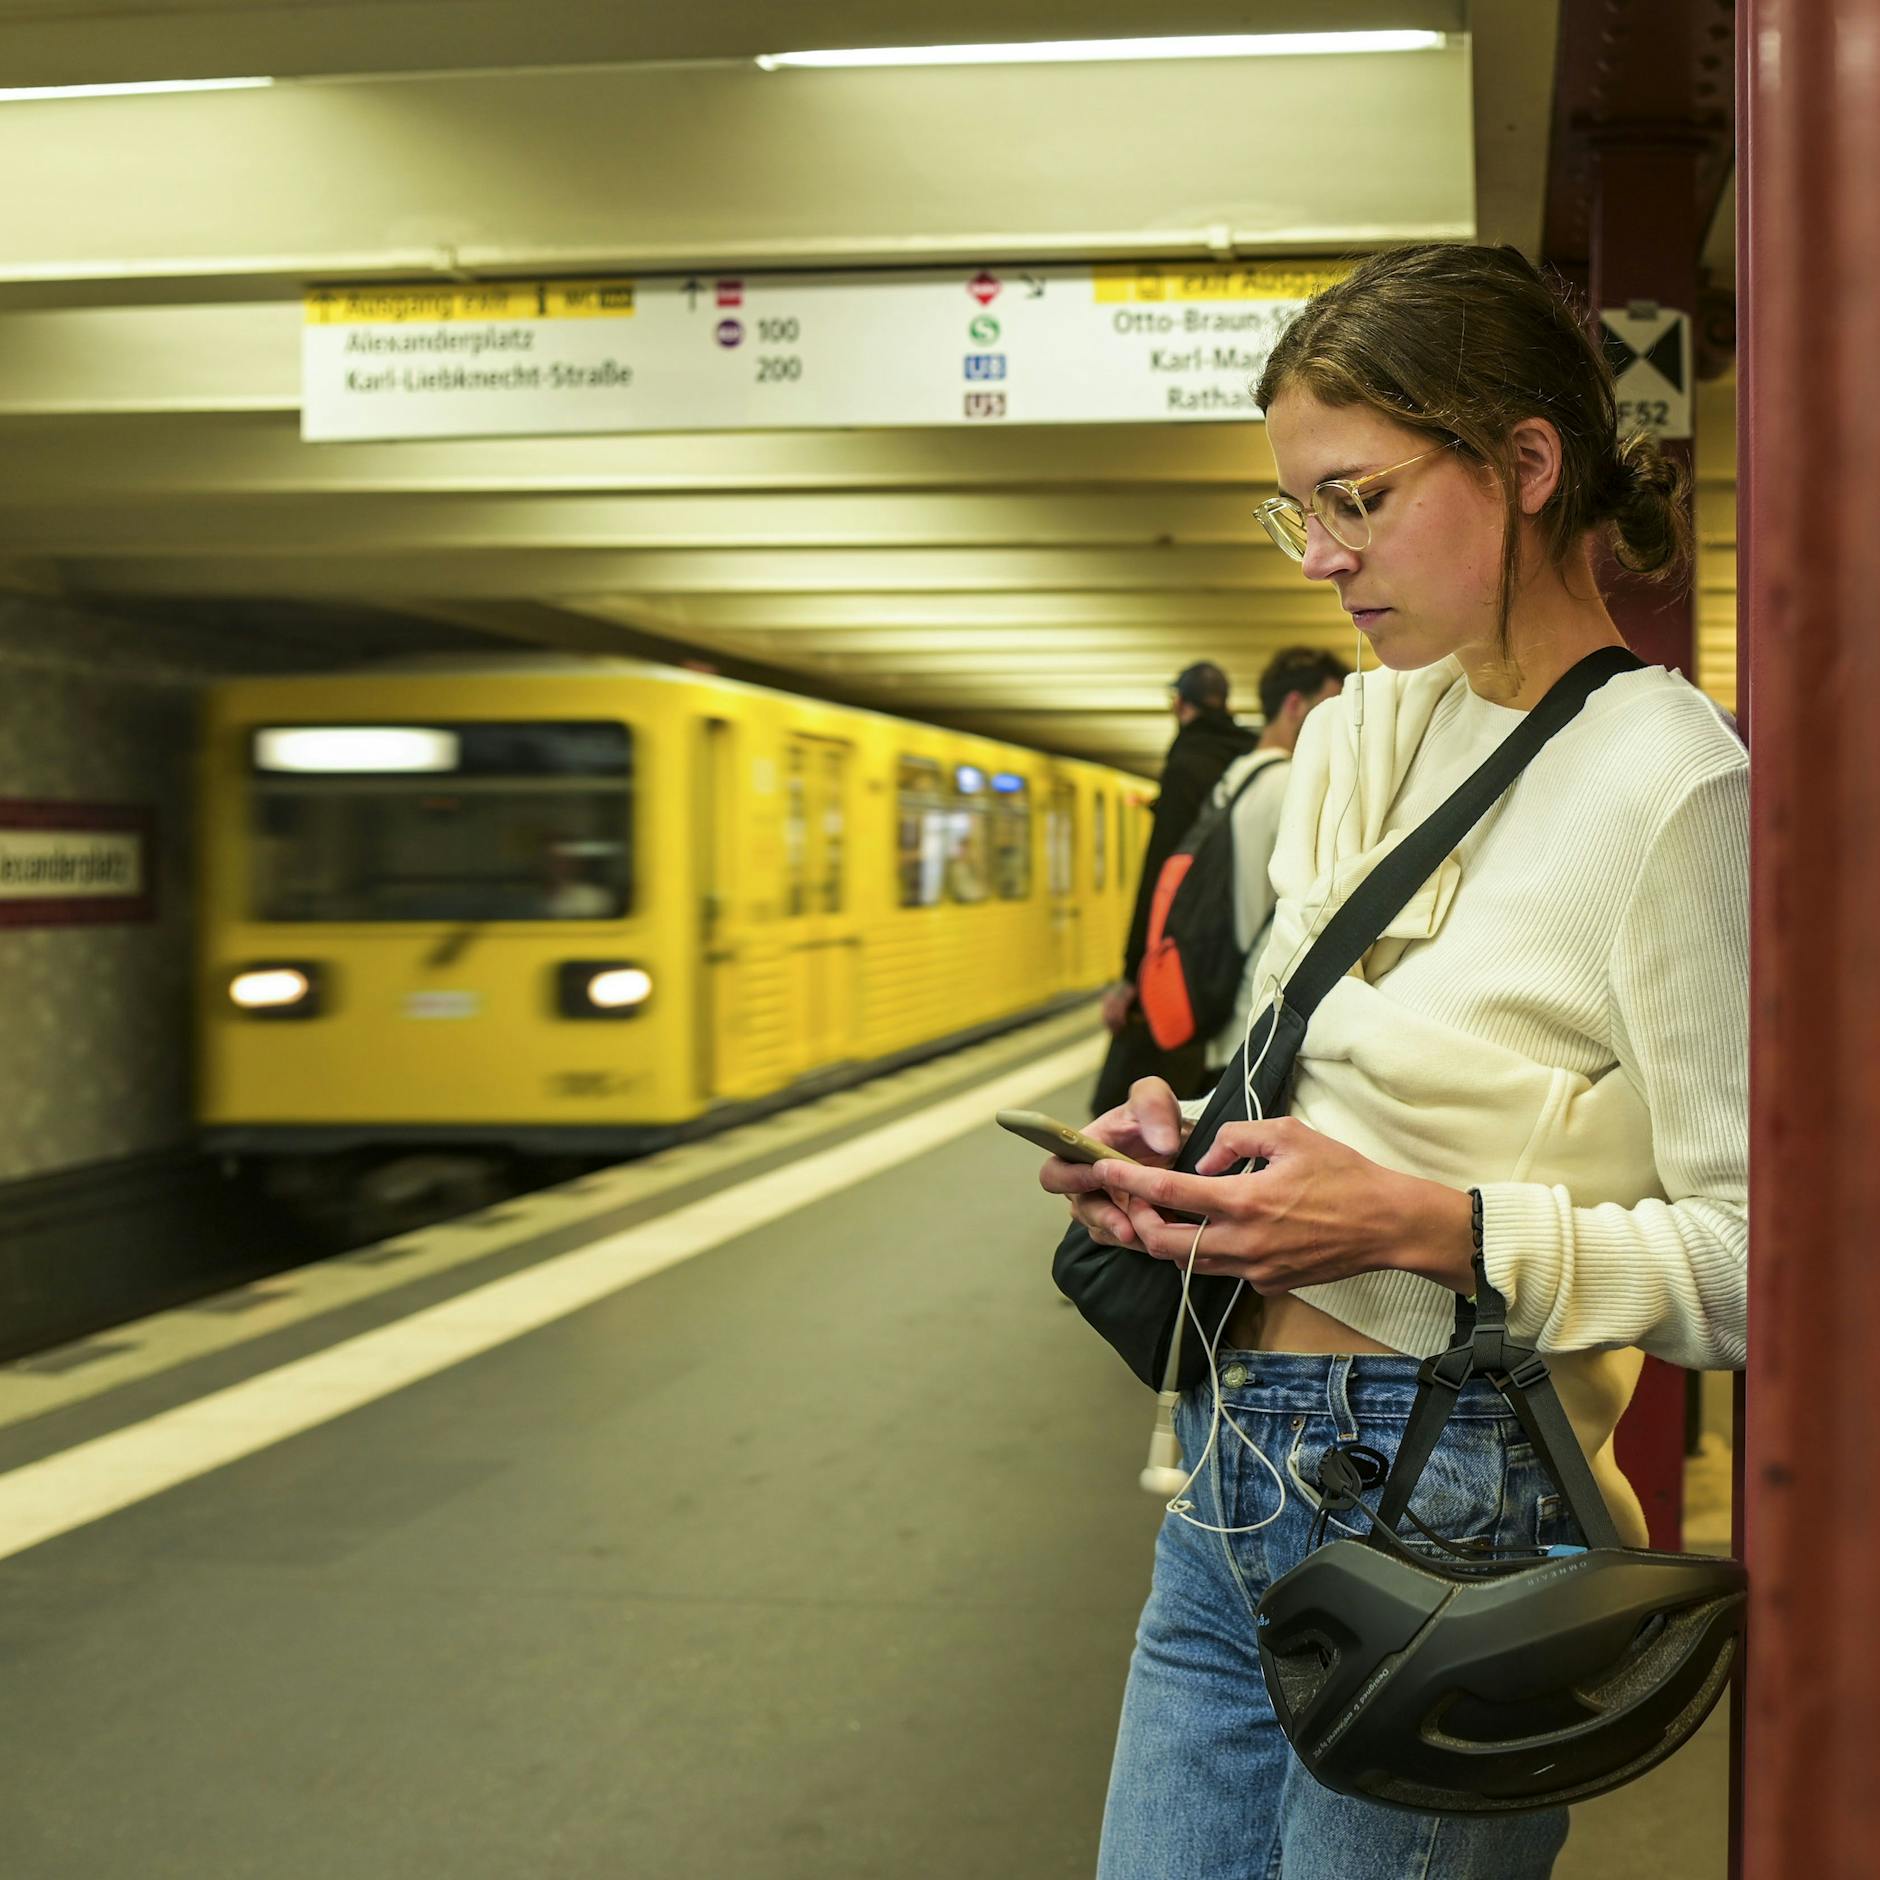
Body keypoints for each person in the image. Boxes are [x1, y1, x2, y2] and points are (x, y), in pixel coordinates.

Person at [1038, 243, 1747, 1878]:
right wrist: (1188, 1141)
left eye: (1355, 500)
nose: (1322, 559)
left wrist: (1418, 1227)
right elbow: (1320, 1067)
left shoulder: (1675, 790)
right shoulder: (1379, 733)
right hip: (1227, 1465)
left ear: (1523, 462)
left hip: (1448, 1501)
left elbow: (1756, 1267)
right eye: (1302, 513)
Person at [1092, 661, 1258, 1113]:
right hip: (1244, 947)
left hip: (1185, 949)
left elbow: (1162, 872)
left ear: (1180, 705)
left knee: (1129, 1101)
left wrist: (1133, 975)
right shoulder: (1250, 758)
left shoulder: (1187, 760)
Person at [1199, 647, 1349, 1082]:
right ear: (1295, 706)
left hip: (1222, 1000)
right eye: (1331, 705)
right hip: (1262, 1013)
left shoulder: (1233, 779)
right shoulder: (1293, 784)